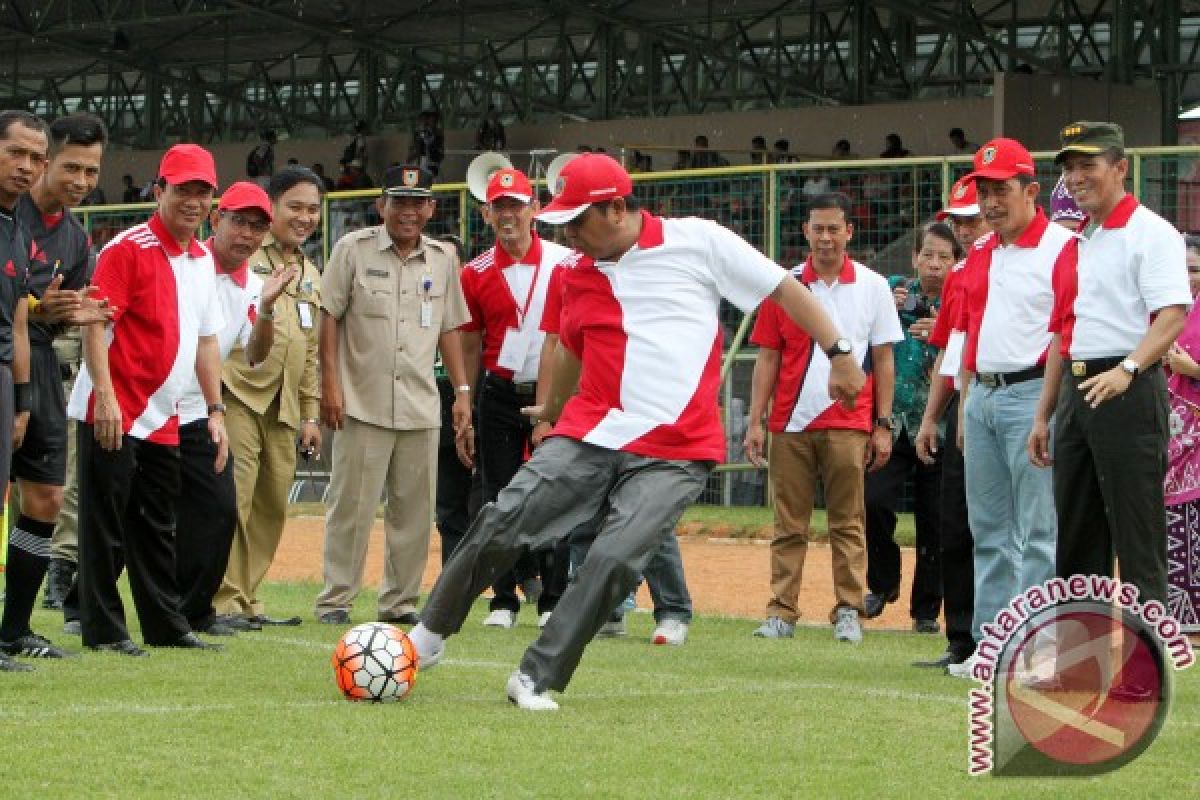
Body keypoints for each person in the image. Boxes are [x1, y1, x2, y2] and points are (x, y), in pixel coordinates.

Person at [405, 153, 865, 711]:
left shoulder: (699, 242)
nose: (569, 234)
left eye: (578, 221)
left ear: (618, 208)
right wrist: (552, 409)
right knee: (503, 517)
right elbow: (572, 346)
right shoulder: (577, 273)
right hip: (589, 432)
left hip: (676, 449)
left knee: (616, 557)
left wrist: (838, 353)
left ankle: (535, 677)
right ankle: (424, 639)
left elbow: (786, 292)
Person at [67, 143, 229, 655]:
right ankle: (104, 630)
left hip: (164, 413)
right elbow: (96, 327)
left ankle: (165, 624)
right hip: (115, 406)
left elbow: (205, 341)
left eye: (202, 192)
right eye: (183, 190)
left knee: (157, 524)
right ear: (159, 191)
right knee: (104, 523)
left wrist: (216, 408)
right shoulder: (126, 248)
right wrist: (107, 399)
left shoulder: (204, 258)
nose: (192, 201)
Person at [1029, 121, 1190, 626]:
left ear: (1120, 167)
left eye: (1088, 165)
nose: (1076, 177)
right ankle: (1079, 664)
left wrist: (1128, 369)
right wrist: (1044, 414)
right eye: (1070, 168)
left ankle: (1145, 669)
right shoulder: (1077, 240)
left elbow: (1173, 313)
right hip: (1079, 390)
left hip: (1128, 390)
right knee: (1076, 536)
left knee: (1136, 537)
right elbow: (1062, 332)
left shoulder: (1152, 231)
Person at [315, 164, 471, 625]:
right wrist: (330, 383)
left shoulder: (443, 258)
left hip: (421, 406)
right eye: (397, 201)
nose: (407, 211)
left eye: (416, 202)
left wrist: (462, 392)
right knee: (351, 508)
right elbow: (329, 315)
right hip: (360, 402)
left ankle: (400, 603)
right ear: (381, 205)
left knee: (415, 514)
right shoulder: (353, 250)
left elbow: (450, 329)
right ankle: (335, 600)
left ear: (430, 208)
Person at [745, 192, 903, 645]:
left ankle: (849, 609)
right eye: (819, 228)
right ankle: (781, 611)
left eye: (835, 228)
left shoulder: (873, 286)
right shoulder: (784, 286)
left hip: (849, 422)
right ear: (805, 232)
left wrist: (883, 423)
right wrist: (755, 421)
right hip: (789, 424)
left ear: (850, 232)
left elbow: (884, 359)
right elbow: (767, 357)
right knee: (787, 523)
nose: (827, 237)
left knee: (848, 522)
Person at [945, 138, 1073, 679]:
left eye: (1002, 190)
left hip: (1029, 395)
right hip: (985, 396)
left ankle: (1038, 652)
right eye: (985, 191)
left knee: (1037, 531)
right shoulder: (980, 252)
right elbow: (970, 332)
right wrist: (964, 402)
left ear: (1031, 190)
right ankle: (992, 645)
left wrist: (1047, 410)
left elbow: (1067, 333)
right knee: (990, 530)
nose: (992, 202)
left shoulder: (1063, 247)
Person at [458, 167, 571, 629]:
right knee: (498, 494)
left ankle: (554, 597)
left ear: (536, 210)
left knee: (557, 491)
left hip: (557, 392)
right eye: (499, 206)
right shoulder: (476, 272)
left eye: (516, 206)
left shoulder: (564, 263)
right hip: (500, 392)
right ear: (486, 213)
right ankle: (503, 598)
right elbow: (470, 339)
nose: (509, 215)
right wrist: (464, 395)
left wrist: (556, 403)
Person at [8, 114, 107, 634]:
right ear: (49, 161)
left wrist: (76, 313)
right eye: (72, 167)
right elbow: (17, 304)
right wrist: (34, 306)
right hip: (9, 356)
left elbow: (61, 310)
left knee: (46, 497)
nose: (81, 182)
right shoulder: (10, 211)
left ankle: (17, 629)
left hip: (43, 361)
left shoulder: (75, 239)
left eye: (91, 172)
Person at [214, 166, 324, 630]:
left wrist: (312, 413)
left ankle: (249, 597)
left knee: (272, 503)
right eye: (294, 207)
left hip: (286, 406)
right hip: (239, 393)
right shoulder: (244, 254)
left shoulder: (309, 270)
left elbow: (310, 347)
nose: (305, 217)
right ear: (272, 207)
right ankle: (222, 598)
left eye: (313, 209)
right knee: (235, 500)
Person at [177, 182, 290, 637]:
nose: (246, 233)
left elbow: (255, 355)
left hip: (200, 407)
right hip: (152, 402)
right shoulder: (188, 265)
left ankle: (197, 609)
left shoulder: (255, 284)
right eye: (238, 221)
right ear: (216, 218)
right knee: (134, 509)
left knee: (219, 508)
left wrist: (264, 308)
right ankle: (83, 603)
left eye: (257, 226)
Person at [863, 222, 961, 632]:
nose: (935, 265)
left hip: (939, 423)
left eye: (944, 257)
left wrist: (942, 333)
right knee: (874, 501)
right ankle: (882, 584)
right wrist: (886, 306)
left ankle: (926, 609)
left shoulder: (961, 299)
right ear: (915, 257)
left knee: (936, 518)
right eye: (928, 255)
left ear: (956, 262)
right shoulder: (892, 291)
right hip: (895, 420)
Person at [912, 176, 991, 669]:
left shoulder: (1012, 265)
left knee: (1000, 532)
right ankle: (961, 638)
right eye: (957, 221)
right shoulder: (961, 278)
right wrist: (929, 419)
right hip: (964, 411)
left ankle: (1000, 636)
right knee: (956, 528)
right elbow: (950, 351)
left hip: (999, 404)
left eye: (971, 219)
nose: (963, 230)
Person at [0, 111, 43, 672]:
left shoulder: (20, 229)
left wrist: (24, 401)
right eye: (16, 153)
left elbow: (17, 324)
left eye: (36, 157)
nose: (26, 167)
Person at [1163, 235, 1200, 631]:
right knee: (1170, 522)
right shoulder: (1162, 313)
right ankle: (1178, 614)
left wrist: (1191, 370)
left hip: (1197, 438)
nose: (1187, 278)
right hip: (1165, 434)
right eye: (1182, 270)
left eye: (1194, 270)